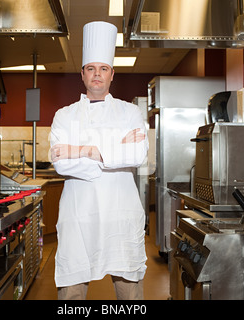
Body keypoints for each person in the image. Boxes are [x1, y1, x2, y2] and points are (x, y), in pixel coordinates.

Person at [49, 21, 148, 300]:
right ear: (82, 74)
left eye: (103, 69)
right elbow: (61, 163)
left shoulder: (129, 113)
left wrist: (85, 151)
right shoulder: (64, 115)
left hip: (121, 215)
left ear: (112, 74)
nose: (97, 74)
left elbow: (137, 155)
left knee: (129, 295)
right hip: (79, 217)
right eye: (91, 68)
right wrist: (113, 153)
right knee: (72, 295)